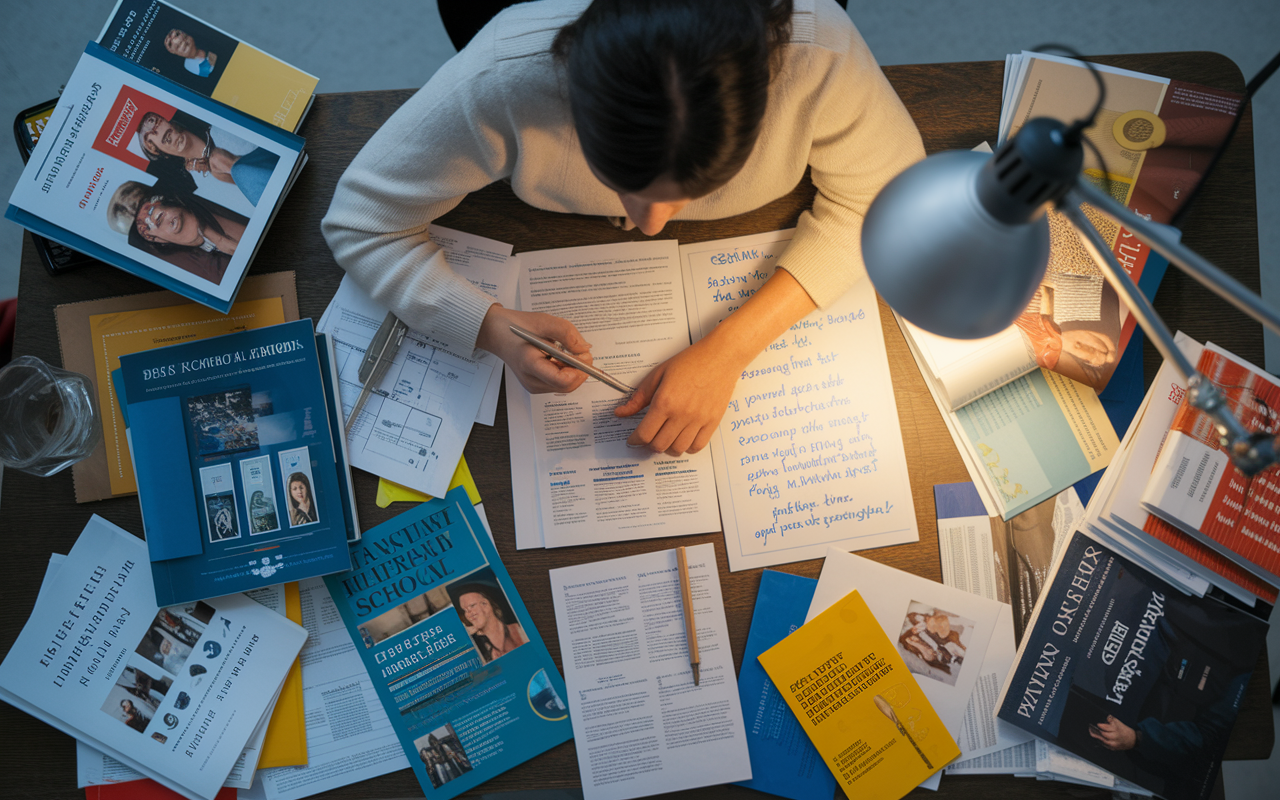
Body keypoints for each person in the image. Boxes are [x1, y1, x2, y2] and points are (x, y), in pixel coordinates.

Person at [322, 0, 924, 456]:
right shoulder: (504, 77)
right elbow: (361, 222)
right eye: (618, 182)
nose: (650, 225)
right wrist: (489, 326)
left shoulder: (822, 61)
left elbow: (892, 205)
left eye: (696, 190)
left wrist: (731, 348)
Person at [106, 181, 245, 283]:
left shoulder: (223, 197)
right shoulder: (204, 273)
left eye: (151, 208)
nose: (154, 219)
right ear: (155, 240)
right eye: (144, 228)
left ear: (168, 200)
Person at [134, 111, 279, 206]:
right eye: (163, 140)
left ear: (171, 122)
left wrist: (233, 165)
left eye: (157, 123)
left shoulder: (222, 126)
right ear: (160, 154)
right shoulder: (203, 187)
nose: (154, 130)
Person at [455, 584, 526, 662]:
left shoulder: (518, 629)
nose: (469, 614)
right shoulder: (475, 644)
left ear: (486, 604)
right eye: (465, 610)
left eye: (472, 606)